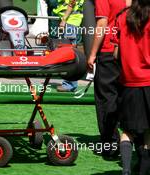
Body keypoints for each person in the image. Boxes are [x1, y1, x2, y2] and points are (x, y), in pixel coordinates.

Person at [112, 0, 150, 174]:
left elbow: (115, 53)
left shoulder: (122, 17)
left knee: (127, 130)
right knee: (148, 131)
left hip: (128, 82)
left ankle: (126, 171)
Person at [87, 0, 127, 157]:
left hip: (109, 50)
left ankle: (110, 143)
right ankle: (129, 140)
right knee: (123, 95)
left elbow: (102, 25)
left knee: (105, 97)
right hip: (128, 49)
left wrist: (92, 53)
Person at [52, 0, 84, 92]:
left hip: (70, 22)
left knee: (70, 54)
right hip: (72, 22)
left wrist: (64, 19)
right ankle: (70, 83)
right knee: (71, 52)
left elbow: (72, 3)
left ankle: (69, 84)